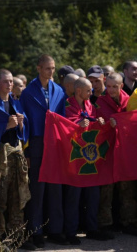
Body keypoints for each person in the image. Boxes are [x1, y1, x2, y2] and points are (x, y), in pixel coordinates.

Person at [20, 54, 65, 248]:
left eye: (53, 68)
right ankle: (36, 231)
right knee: (37, 190)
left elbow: (63, 121)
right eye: (47, 68)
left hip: (54, 145)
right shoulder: (28, 92)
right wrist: (27, 152)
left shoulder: (59, 91)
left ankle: (55, 229)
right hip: (37, 144)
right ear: (39, 68)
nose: (51, 72)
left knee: (55, 189)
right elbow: (26, 123)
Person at [64, 78, 113, 244]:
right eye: (88, 90)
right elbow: (63, 126)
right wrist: (77, 123)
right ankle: (71, 232)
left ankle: (92, 229)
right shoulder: (67, 105)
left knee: (93, 194)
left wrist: (98, 122)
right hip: (75, 157)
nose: (91, 93)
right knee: (74, 196)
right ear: (79, 91)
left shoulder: (90, 105)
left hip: (90, 157)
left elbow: (92, 124)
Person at [0, 69, 30, 244]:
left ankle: (17, 235)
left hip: (17, 156)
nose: (9, 84)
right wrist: (6, 126)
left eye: (11, 81)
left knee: (18, 196)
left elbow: (24, 129)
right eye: (6, 81)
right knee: (0, 197)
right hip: (1, 157)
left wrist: (20, 124)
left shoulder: (15, 102)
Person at [96, 73, 137, 236]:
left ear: (121, 86)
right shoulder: (99, 102)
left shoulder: (130, 101)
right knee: (106, 190)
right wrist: (106, 124)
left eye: (115, 87)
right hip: (107, 153)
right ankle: (105, 224)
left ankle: (129, 222)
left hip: (124, 152)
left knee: (128, 189)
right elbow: (95, 124)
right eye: (109, 86)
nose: (111, 90)